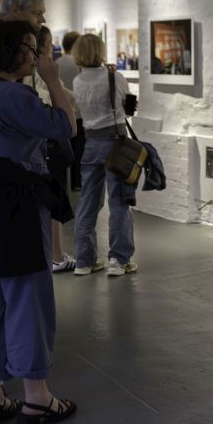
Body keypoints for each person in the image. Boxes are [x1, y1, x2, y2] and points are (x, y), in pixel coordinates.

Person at [0, 20, 78, 424]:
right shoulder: (10, 94)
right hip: (14, 207)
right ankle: (37, 399)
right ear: (12, 51)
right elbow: (66, 128)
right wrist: (53, 79)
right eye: (29, 47)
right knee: (27, 301)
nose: (35, 55)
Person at [71, 34, 138, 277]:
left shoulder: (78, 81)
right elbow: (127, 106)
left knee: (88, 203)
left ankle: (83, 261)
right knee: (119, 201)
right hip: (115, 143)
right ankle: (118, 261)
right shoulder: (115, 77)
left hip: (91, 142)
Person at [29, 27, 82, 274]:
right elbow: (51, 99)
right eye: (50, 42)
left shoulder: (39, 69)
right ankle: (57, 256)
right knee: (53, 199)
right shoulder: (41, 70)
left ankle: (55, 254)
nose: (53, 46)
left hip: (40, 145)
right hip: (47, 144)